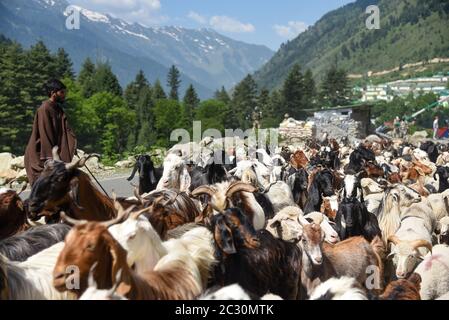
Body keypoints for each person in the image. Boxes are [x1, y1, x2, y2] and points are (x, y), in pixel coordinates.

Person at [24, 79, 77, 186]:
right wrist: (49, 158)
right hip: (40, 157)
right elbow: (45, 135)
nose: (64, 95)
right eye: (62, 92)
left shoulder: (57, 109)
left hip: (53, 155)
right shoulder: (44, 109)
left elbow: (64, 130)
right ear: (53, 93)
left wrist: (71, 146)